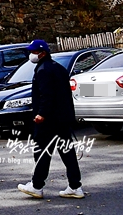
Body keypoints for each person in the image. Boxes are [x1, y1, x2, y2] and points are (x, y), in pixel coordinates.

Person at [17, 39, 85, 200]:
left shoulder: (43, 70)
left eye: (34, 52)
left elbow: (46, 95)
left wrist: (41, 114)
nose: (31, 55)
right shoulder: (58, 68)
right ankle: (75, 186)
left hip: (48, 121)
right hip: (62, 119)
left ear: (42, 53)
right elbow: (65, 95)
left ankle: (36, 185)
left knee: (41, 152)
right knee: (68, 153)